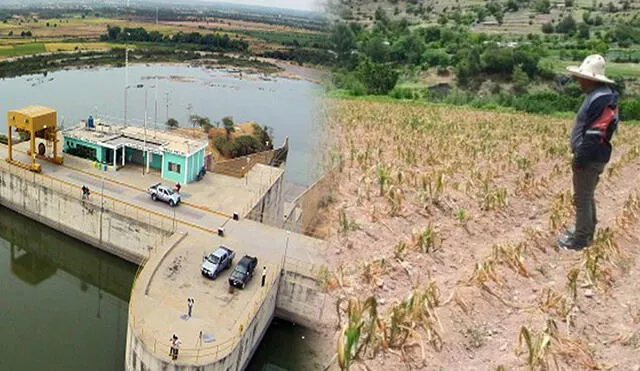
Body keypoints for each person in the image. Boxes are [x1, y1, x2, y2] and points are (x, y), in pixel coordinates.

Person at [557, 54, 620, 251]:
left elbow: (595, 133)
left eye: (581, 77)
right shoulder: (602, 96)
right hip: (596, 154)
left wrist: (580, 158)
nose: (578, 81)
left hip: (590, 155)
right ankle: (585, 230)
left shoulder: (600, 99)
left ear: (590, 79)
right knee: (587, 195)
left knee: (582, 198)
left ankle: (581, 239)